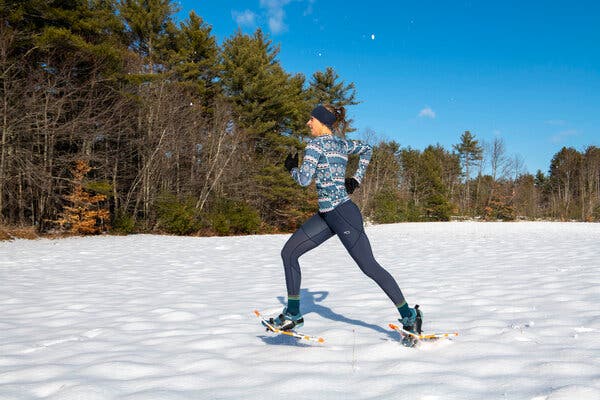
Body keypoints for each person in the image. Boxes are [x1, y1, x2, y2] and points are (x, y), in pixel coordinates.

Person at [270, 104, 419, 333]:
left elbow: (302, 180)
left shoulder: (315, 145)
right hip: (326, 216)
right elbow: (367, 149)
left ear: (321, 121)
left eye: (311, 119)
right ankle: (293, 314)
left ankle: (410, 315)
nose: (308, 123)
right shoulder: (343, 144)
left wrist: (291, 168)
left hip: (343, 214)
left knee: (369, 267)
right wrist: (356, 178)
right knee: (289, 252)